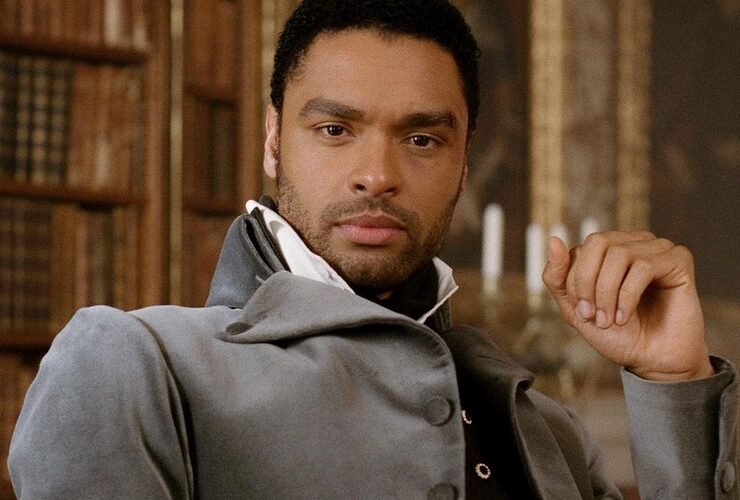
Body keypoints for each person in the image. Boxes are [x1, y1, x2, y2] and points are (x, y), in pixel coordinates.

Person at [9, 0, 738, 498]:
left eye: (421, 138)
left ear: (464, 161)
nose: (377, 175)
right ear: (273, 141)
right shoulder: (135, 363)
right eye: (335, 130)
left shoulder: (550, 431)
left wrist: (673, 380)